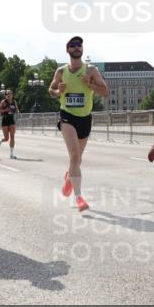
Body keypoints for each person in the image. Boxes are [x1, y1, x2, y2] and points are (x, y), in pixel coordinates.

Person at [49, 36, 109, 211]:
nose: (76, 48)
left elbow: (105, 92)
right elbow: (51, 90)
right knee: (74, 155)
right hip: (67, 115)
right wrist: (57, 91)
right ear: (68, 50)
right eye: (73, 45)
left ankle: (69, 177)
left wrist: (90, 85)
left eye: (79, 45)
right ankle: (79, 198)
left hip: (85, 118)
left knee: (77, 159)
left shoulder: (91, 70)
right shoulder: (61, 71)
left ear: (82, 49)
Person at [0, 89, 19, 159]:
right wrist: (5, 110)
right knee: (6, 138)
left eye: (10, 94)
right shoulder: (3, 102)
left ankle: (11, 154)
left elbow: (17, 110)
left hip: (11, 120)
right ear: (5, 96)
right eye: (7, 94)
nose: (9, 95)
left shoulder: (14, 102)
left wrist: (17, 111)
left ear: (12, 95)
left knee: (12, 136)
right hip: (5, 120)